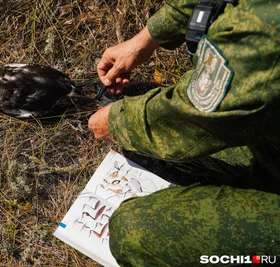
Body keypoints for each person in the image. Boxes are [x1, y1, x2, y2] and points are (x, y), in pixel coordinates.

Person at [88, 0, 280, 265]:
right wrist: (148, 37)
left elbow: (194, 118)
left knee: (132, 233)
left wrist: (118, 122)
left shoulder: (268, 32)